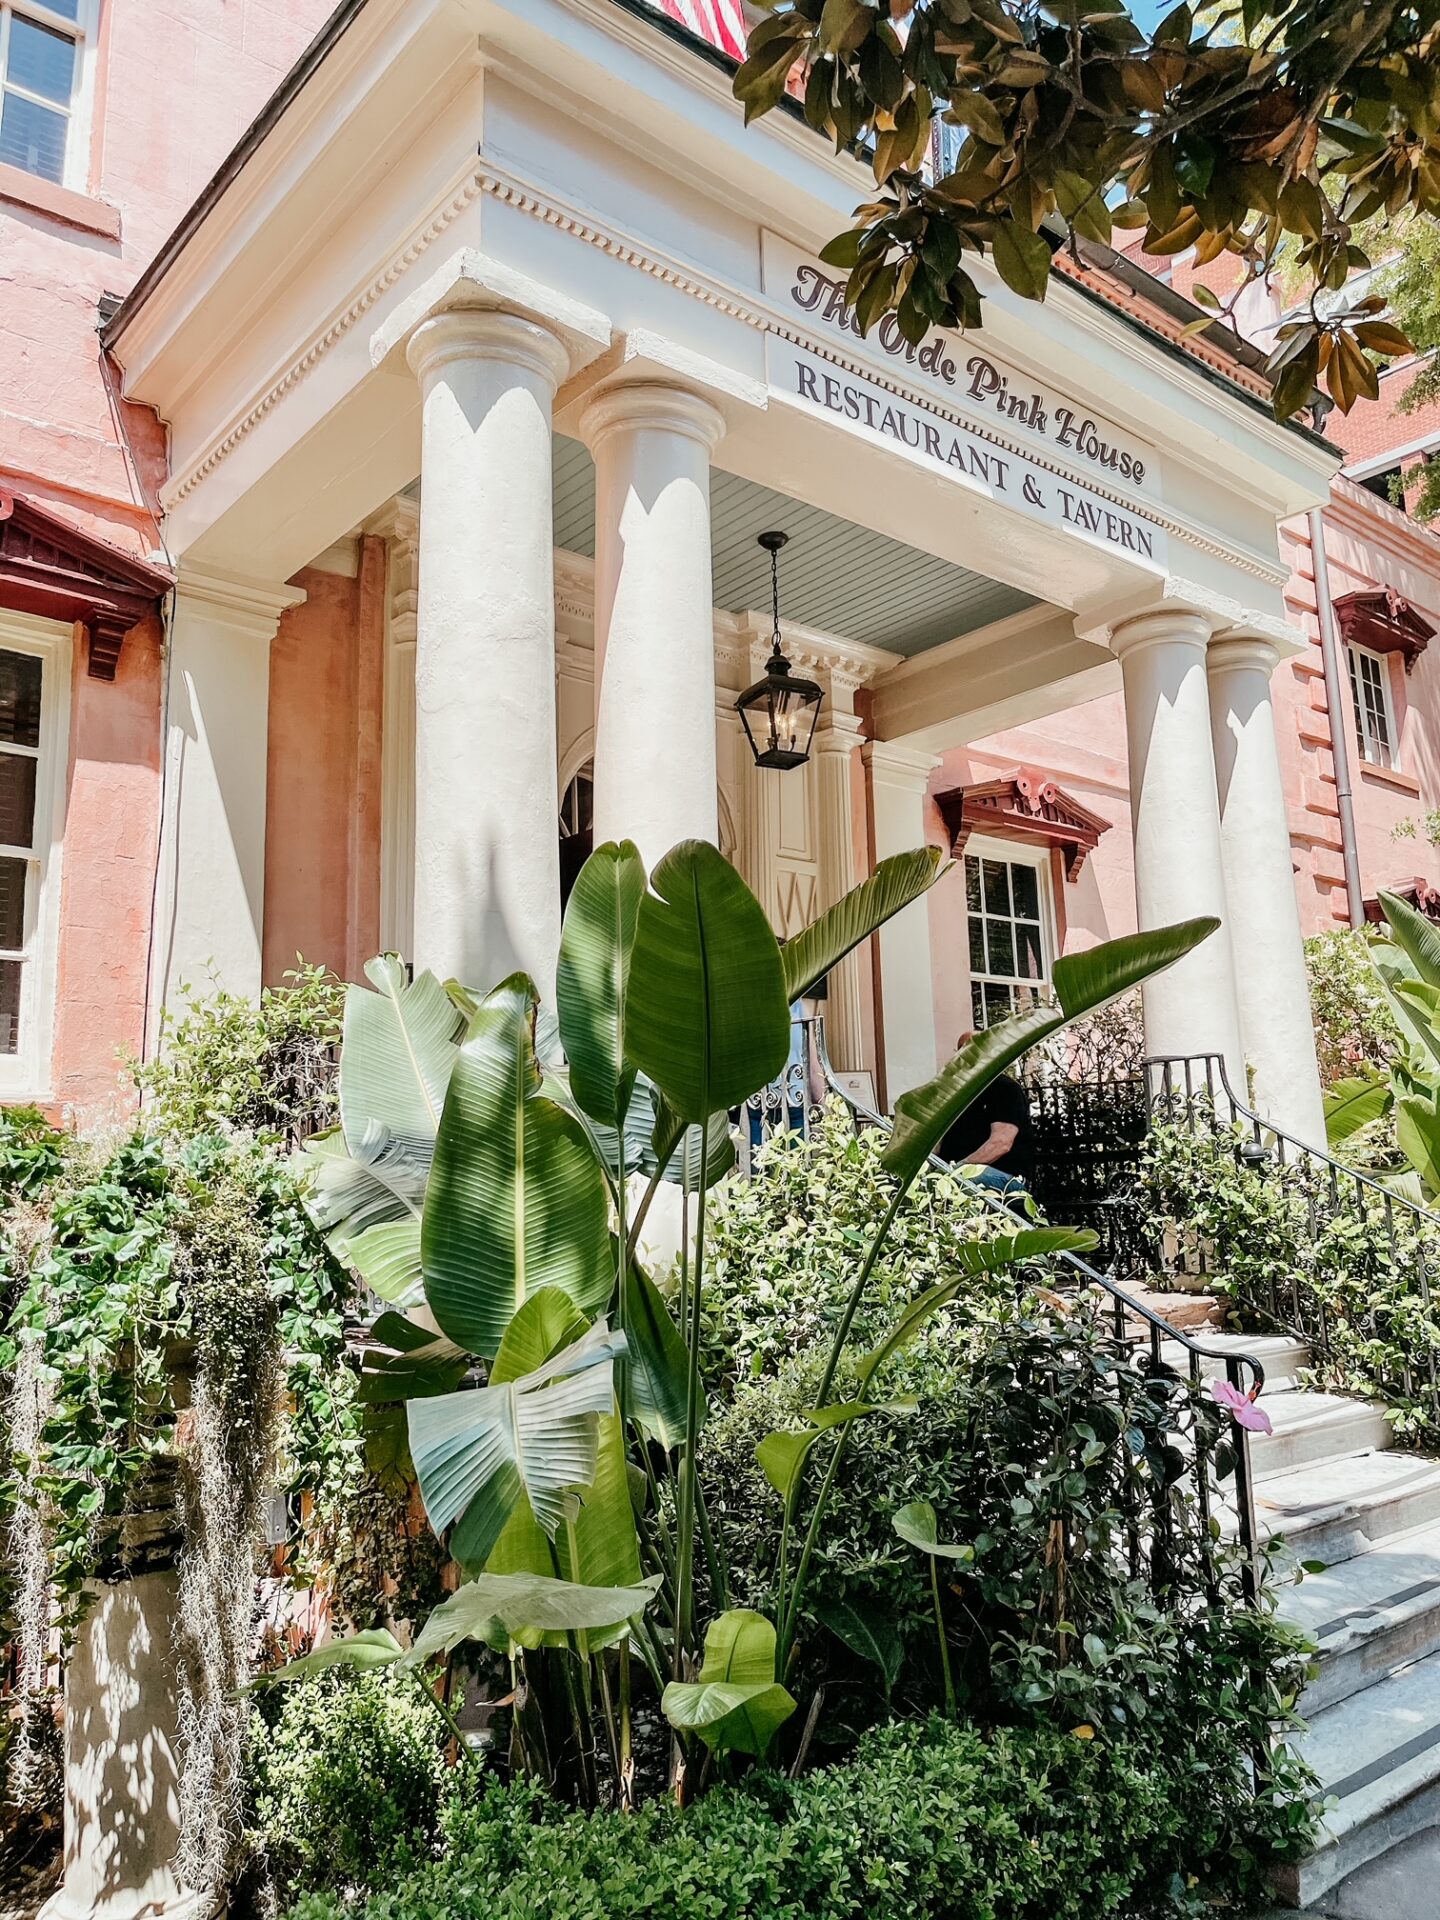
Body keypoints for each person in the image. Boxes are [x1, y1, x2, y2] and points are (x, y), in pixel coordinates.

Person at [938, 1030, 1036, 1196]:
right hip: (955, 1171)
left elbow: (1001, 1144)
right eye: (963, 1050)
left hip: (1006, 1178)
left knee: (956, 1182)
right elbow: (937, 1142)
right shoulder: (955, 1094)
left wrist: (957, 1169)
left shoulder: (1005, 1089)